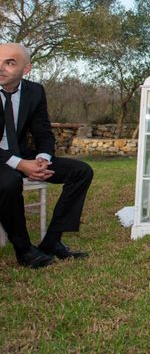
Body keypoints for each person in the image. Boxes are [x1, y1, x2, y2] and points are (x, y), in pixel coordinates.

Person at [0, 43, 93, 269]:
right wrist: (20, 164)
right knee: (9, 181)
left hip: (21, 153)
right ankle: (24, 250)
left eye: (10, 62)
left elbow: (43, 132)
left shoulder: (35, 91)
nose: (1, 67)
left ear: (26, 68)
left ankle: (52, 241)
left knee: (81, 172)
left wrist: (42, 158)